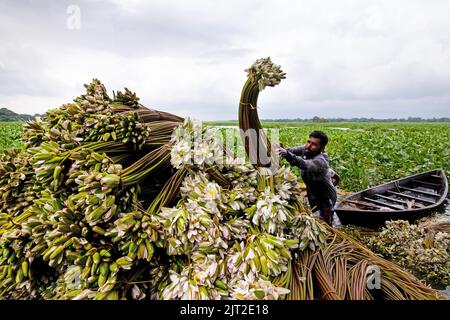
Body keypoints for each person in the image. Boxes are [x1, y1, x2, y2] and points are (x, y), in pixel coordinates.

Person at [276, 130, 338, 226]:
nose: (309, 145)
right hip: (313, 193)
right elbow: (292, 151)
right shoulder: (307, 149)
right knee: (316, 219)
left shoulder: (321, 161)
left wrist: (288, 155)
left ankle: (329, 236)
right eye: (308, 141)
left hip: (326, 197)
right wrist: (281, 150)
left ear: (321, 148)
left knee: (325, 224)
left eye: (314, 144)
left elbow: (304, 163)